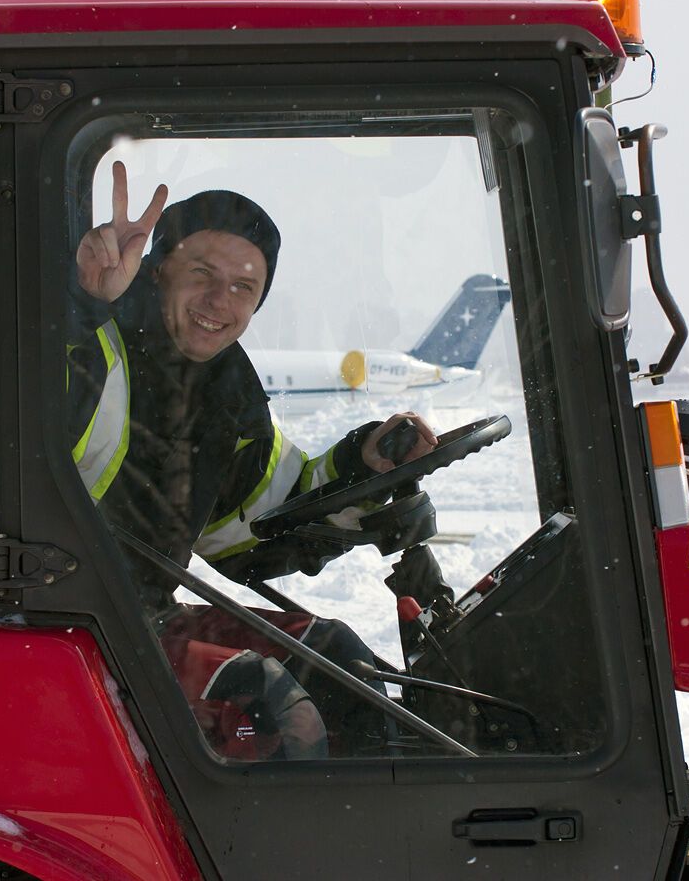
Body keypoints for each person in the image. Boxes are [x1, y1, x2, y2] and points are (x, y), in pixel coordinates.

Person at [65, 161, 441, 759]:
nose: (220, 300)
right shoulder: (89, 348)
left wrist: (361, 468)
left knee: (336, 658)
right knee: (267, 710)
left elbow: (257, 521)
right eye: (202, 274)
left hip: (141, 622)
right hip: (59, 629)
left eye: (243, 287)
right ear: (159, 271)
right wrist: (76, 305)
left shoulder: (224, 393)